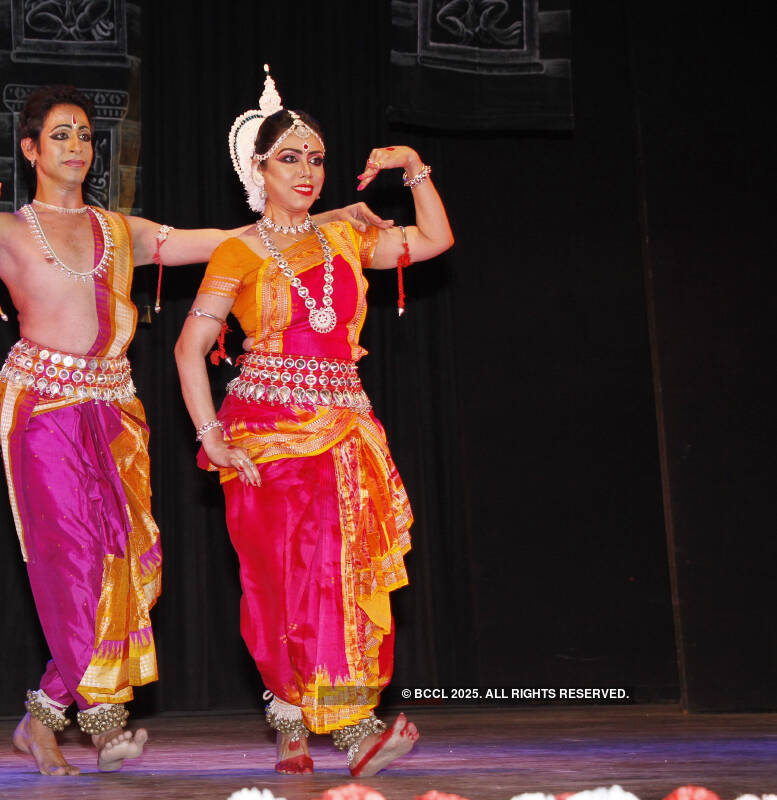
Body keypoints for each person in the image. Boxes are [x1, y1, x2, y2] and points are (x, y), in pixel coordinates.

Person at [0, 84, 389, 776]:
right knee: (73, 555)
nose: (76, 147)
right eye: (60, 136)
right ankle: (104, 722)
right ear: (30, 149)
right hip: (44, 406)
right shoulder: (9, 231)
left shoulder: (119, 229)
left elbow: (232, 242)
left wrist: (316, 218)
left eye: (83, 136)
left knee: (123, 563)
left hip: (114, 407)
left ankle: (43, 715)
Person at [174, 69, 453, 777]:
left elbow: (434, 241)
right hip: (264, 435)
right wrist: (210, 438)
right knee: (277, 582)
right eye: (289, 158)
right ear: (256, 169)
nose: (305, 170)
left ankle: (352, 726)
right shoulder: (237, 251)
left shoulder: (347, 239)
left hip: (343, 428)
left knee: (341, 573)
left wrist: (413, 168)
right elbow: (187, 347)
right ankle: (290, 712)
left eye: (315, 158)